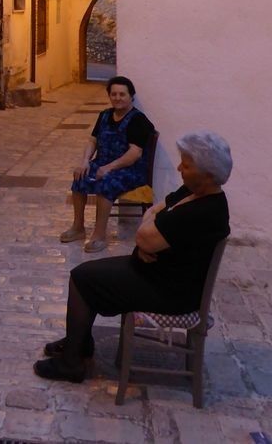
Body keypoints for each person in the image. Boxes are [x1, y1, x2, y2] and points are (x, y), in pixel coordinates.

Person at [35, 131, 232, 382]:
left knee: (81, 277)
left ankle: (72, 362)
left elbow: (143, 234)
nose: (180, 167)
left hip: (169, 292)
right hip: (159, 274)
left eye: (187, 164)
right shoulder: (193, 192)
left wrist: (148, 237)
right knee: (90, 272)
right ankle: (78, 342)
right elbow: (153, 211)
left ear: (207, 174)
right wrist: (149, 237)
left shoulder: (203, 210)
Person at [60, 76, 155, 253]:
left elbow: (135, 153)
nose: (118, 98)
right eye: (114, 94)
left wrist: (109, 168)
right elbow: (92, 141)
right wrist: (85, 161)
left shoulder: (138, 120)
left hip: (130, 170)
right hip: (103, 164)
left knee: (106, 183)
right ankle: (78, 227)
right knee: (80, 177)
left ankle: (99, 235)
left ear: (130, 96)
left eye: (122, 94)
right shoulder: (104, 115)